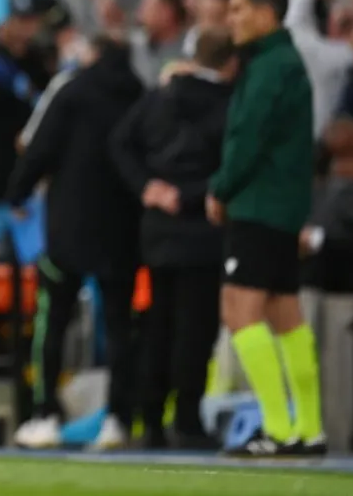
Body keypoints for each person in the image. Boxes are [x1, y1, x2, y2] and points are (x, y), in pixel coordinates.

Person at [6, 33, 144, 451]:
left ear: (94, 53)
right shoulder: (139, 93)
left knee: (53, 322)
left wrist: (18, 191)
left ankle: (45, 414)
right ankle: (119, 419)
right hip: (123, 226)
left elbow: (41, 147)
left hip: (70, 225)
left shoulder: (73, 91)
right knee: (120, 326)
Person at [206, 0, 326, 456]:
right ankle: (309, 427)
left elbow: (248, 137)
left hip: (257, 204)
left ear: (265, 12)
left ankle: (277, 428)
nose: (230, 19)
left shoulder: (271, 66)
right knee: (285, 316)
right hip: (282, 205)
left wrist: (221, 188)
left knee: (239, 311)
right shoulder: (281, 62)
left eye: (238, 10)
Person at [110, 29, 237, 449]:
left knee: (155, 326)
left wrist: (147, 186)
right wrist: (191, 195)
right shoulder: (228, 103)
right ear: (229, 63)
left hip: (158, 233)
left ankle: (150, 418)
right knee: (194, 331)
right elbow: (232, 165)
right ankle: (187, 418)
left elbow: (120, 143)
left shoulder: (158, 98)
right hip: (202, 230)